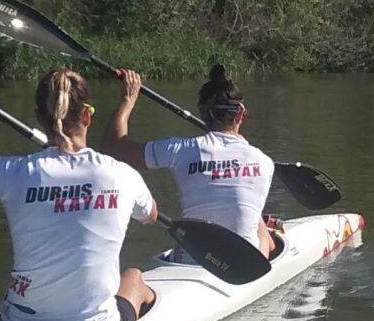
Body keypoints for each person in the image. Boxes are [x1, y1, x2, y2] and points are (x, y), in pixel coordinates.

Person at [0, 69, 159, 321]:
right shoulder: (122, 175)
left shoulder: (11, 172)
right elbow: (151, 215)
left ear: (39, 117)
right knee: (133, 277)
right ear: (87, 116)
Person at [100, 65, 276, 258]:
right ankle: (266, 234)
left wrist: (127, 100)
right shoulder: (264, 162)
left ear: (201, 113)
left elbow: (112, 148)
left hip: (192, 259)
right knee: (260, 228)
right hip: (245, 264)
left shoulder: (179, 149)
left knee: (253, 217)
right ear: (242, 113)